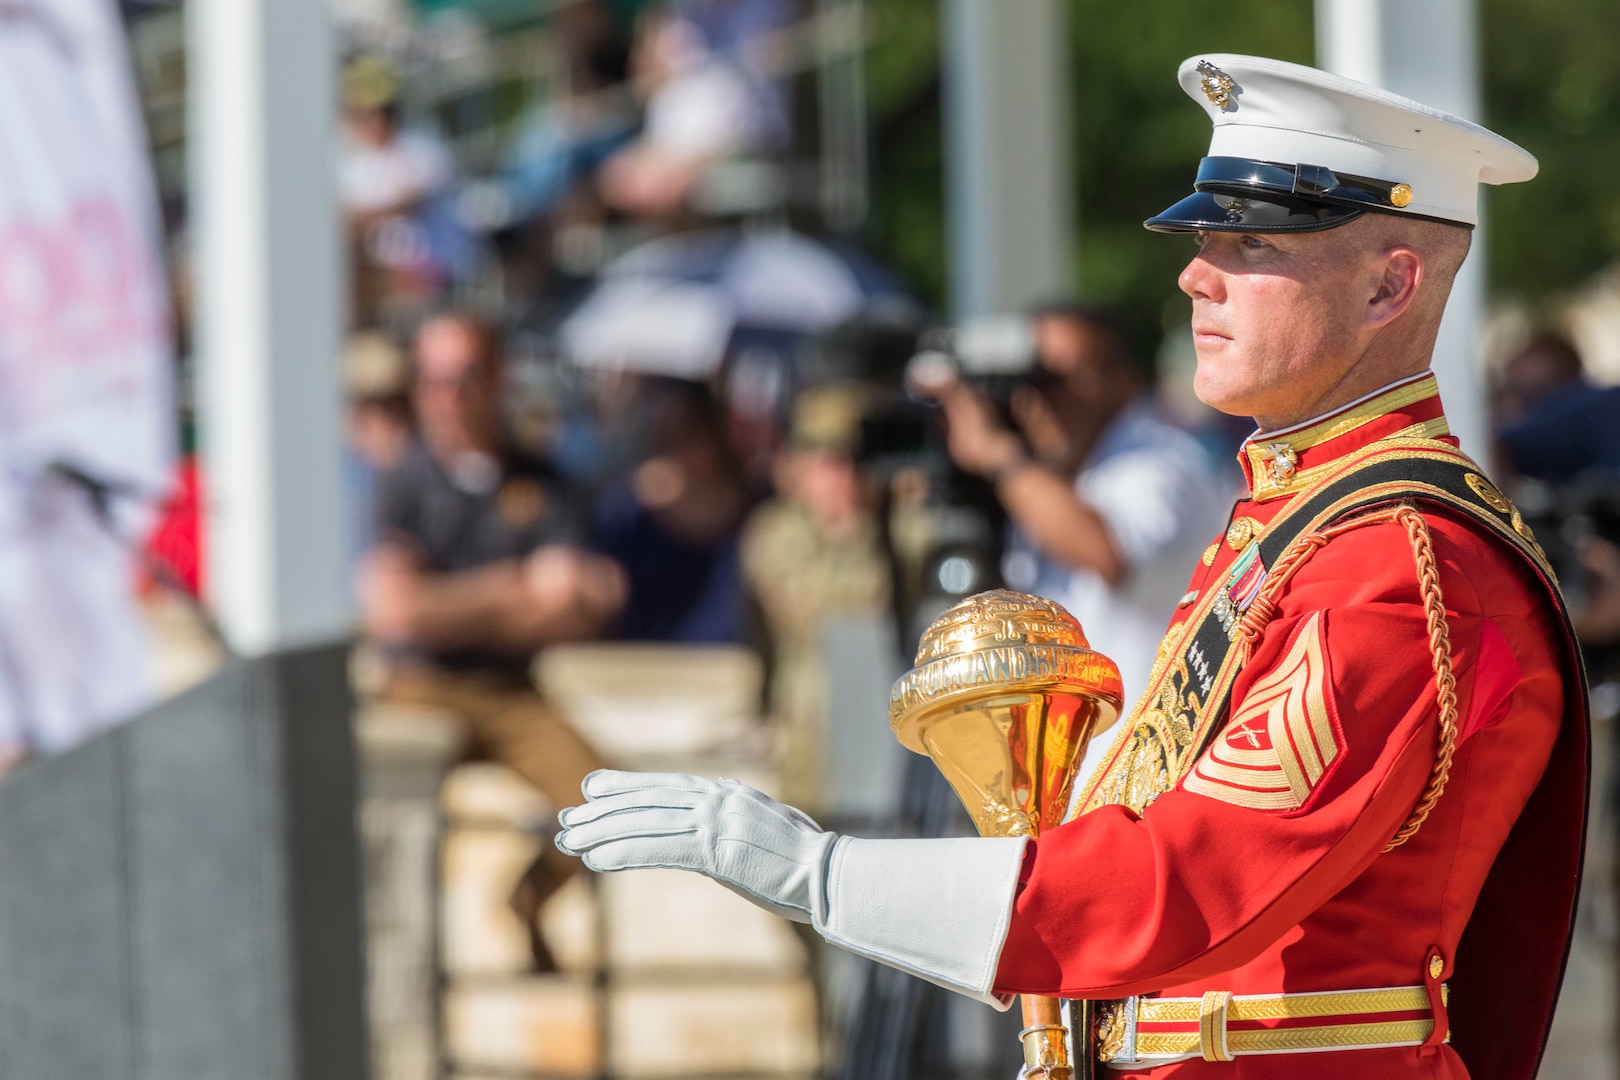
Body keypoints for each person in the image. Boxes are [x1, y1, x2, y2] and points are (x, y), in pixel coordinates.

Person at [554, 54, 1588, 1080]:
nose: (1195, 272)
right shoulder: (1307, 516)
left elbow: (1187, 882)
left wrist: (821, 873)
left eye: (1252, 242)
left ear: (1390, 284)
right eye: (1203, 239)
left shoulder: (1403, 561)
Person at [360, 311, 627, 968]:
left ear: (497, 378)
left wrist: (447, 602)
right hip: (420, 686)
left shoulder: (540, 478)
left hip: (511, 690)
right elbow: (396, 614)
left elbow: (584, 609)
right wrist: (516, 588)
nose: (446, 397)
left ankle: (528, 899)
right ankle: (401, 976)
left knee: (610, 802)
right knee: (390, 822)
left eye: (463, 379)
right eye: (431, 380)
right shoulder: (402, 479)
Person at [930, 301, 1229, 734]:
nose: (1041, 401)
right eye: (1033, 380)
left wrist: (999, 457)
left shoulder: (1162, 461)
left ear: (1124, 382)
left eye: (1064, 380)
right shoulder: (1052, 481)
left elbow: (1108, 553)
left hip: (1143, 767)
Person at [740, 383, 892, 810]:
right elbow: (826, 615)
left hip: (882, 744)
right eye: (829, 462)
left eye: (854, 461)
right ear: (794, 467)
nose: (843, 476)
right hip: (807, 746)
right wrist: (850, 531)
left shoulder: (898, 528)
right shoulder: (775, 532)